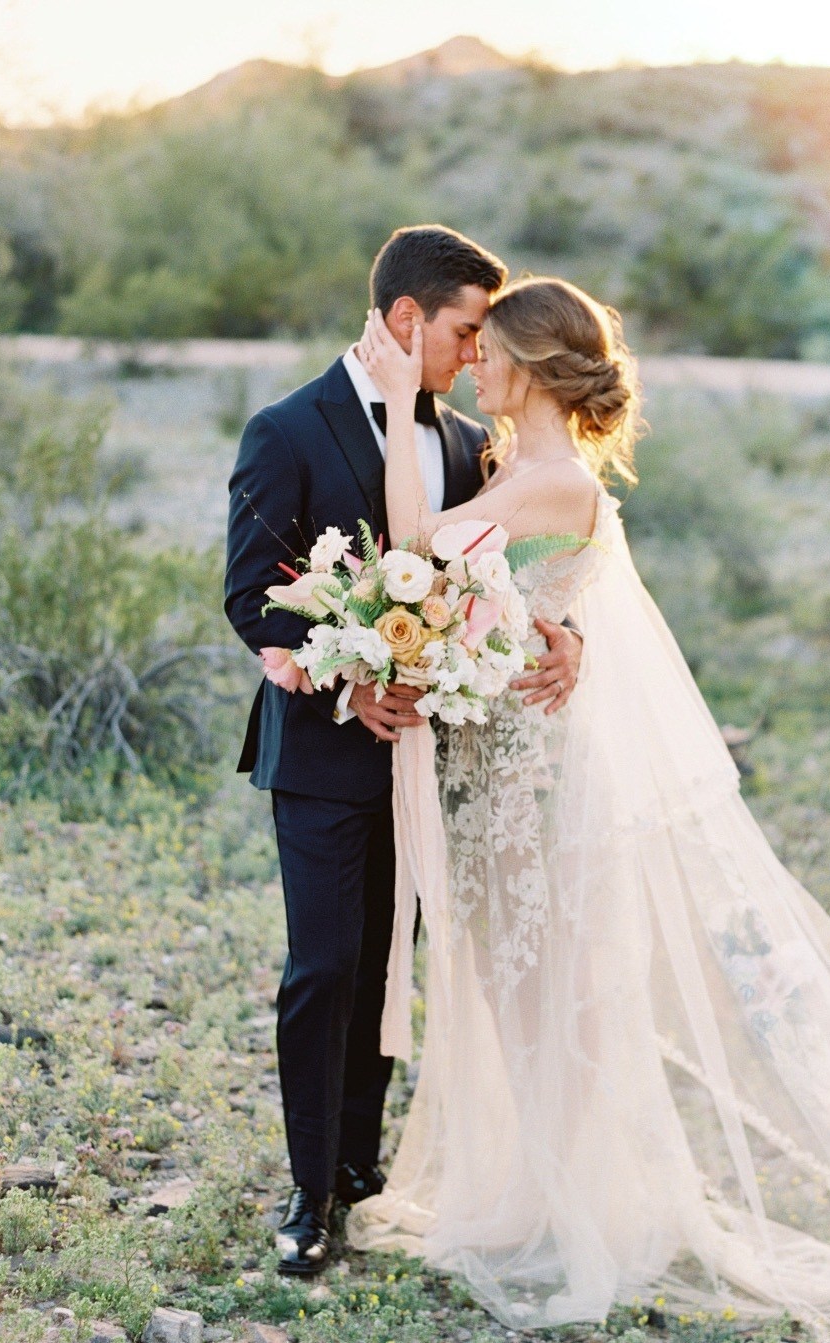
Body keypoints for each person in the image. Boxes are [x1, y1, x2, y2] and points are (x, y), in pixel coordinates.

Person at [347, 276, 830, 1339]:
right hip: (490, 762)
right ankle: (539, 1192)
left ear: (530, 364)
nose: (475, 363)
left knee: (546, 986)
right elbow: (515, 602)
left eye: (489, 350)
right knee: (516, 984)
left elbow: (416, 546)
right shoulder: (520, 468)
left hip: (530, 775)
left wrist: (393, 406)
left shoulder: (555, 480)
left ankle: (578, 1214)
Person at [224, 228, 583, 1275]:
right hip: (327, 753)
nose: (478, 354)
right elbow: (253, 595)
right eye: (466, 330)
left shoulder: (473, 443)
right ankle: (306, 1188)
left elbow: (517, 573)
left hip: (443, 756)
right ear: (403, 319)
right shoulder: (286, 427)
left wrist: (569, 641)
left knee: (392, 962)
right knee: (326, 962)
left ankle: (358, 1168)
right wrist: (354, 673)